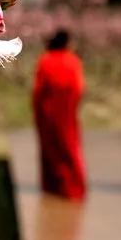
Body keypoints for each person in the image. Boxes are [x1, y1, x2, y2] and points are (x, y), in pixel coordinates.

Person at [32, 29, 87, 200]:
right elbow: (79, 88)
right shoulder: (73, 61)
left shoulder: (45, 59)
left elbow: (38, 90)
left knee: (49, 149)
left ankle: (52, 187)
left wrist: (37, 111)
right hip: (67, 112)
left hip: (47, 113)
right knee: (70, 148)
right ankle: (74, 188)